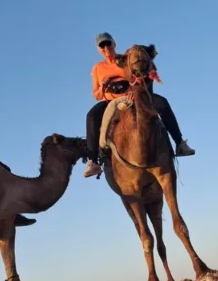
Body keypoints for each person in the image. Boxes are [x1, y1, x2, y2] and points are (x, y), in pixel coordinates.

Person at [83, 32, 195, 178]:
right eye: (101, 46)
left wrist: (133, 89)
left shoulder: (127, 59)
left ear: (113, 43)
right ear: (98, 49)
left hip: (134, 96)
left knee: (162, 103)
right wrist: (102, 87)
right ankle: (93, 161)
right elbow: (96, 95)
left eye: (107, 43)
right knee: (91, 116)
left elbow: (141, 75)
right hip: (111, 101)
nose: (105, 48)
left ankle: (180, 143)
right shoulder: (98, 68)